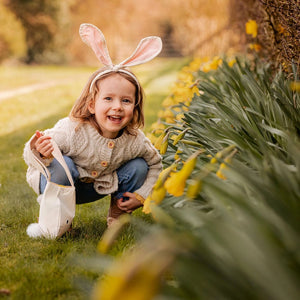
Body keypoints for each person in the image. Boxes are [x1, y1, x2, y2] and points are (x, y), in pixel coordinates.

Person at [23, 23, 163, 227]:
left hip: (98, 187)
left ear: (135, 106)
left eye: (126, 101)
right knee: (63, 164)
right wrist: (40, 152)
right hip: (59, 183)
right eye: (108, 99)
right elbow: (32, 153)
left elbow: (155, 164)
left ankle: (117, 216)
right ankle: (57, 219)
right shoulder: (73, 130)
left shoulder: (135, 140)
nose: (117, 107)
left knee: (139, 166)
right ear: (91, 105)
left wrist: (142, 195)